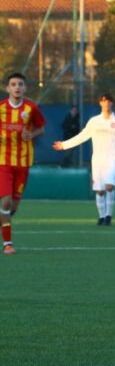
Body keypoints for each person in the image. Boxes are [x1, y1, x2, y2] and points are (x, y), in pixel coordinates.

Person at [53, 93, 115, 226]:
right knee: (99, 190)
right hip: (97, 160)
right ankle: (102, 216)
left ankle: (109, 216)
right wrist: (64, 145)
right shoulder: (94, 121)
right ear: (100, 103)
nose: (107, 103)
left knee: (109, 187)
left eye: (109, 101)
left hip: (113, 159)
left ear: (112, 103)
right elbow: (82, 136)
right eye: (104, 101)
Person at [0, 72, 46, 254]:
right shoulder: (1, 108)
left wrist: (31, 134)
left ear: (25, 88)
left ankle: (4, 223)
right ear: (8, 88)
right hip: (3, 162)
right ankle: (7, 244)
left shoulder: (31, 108)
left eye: (20, 84)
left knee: (13, 207)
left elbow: (41, 128)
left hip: (24, 162)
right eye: (13, 84)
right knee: (5, 202)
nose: (17, 87)